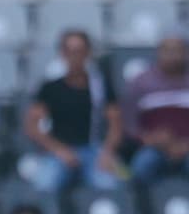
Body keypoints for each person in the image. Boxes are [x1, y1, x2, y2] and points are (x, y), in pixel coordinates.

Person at [24, 30, 123, 196]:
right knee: (43, 185)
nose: (75, 56)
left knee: (109, 185)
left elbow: (116, 124)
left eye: (79, 51)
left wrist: (107, 152)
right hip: (59, 151)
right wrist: (58, 149)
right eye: (69, 51)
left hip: (93, 149)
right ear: (62, 53)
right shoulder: (50, 88)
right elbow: (32, 126)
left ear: (88, 53)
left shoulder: (100, 87)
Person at [121, 30, 189, 187]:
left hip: (187, 146)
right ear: (158, 53)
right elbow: (128, 123)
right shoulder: (141, 82)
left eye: (177, 50)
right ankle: (143, 211)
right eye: (167, 51)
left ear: (186, 53)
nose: (172, 56)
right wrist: (148, 139)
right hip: (154, 147)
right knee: (141, 167)